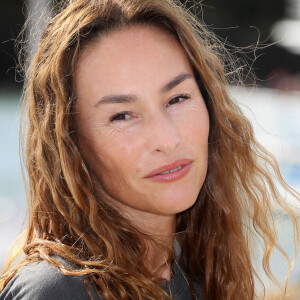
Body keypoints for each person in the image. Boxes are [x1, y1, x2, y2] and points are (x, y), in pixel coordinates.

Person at [0, 0, 299, 299]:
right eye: (122, 115)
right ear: (71, 144)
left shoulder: (198, 275)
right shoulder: (58, 291)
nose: (167, 140)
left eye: (177, 99)